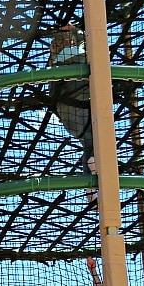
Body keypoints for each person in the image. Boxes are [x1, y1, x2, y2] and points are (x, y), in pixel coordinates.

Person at [48, 24, 96, 178]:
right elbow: (89, 46)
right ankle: (93, 170)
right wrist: (76, 30)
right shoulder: (77, 55)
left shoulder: (53, 63)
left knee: (88, 143)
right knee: (96, 140)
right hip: (80, 110)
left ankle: (90, 181)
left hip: (68, 115)